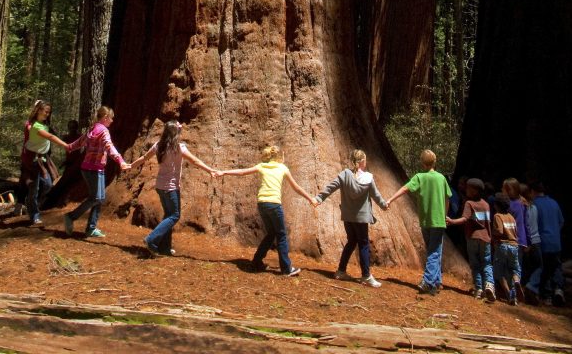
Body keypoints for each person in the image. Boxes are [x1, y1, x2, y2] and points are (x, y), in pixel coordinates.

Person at [218, 143, 317, 277]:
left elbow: (242, 172)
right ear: (279, 156)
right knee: (281, 235)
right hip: (274, 204)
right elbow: (296, 188)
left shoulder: (262, 166)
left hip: (262, 204)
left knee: (271, 233)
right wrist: (310, 198)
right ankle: (286, 269)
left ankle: (256, 262)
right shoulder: (282, 168)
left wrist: (223, 172)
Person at [138, 120, 216, 256]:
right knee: (174, 216)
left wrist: (130, 165)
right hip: (171, 187)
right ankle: (151, 239)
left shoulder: (158, 146)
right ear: (176, 133)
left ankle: (165, 248)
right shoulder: (179, 148)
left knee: (168, 215)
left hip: (160, 186)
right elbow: (195, 161)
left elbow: (144, 157)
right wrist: (210, 170)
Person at [316, 149, 388, 288]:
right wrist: (384, 205)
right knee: (363, 244)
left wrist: (319, 198)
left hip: (348, 217)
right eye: (365, 160)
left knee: (351, 242)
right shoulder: (368, 178)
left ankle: (341, 271)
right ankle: (366, 276)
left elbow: (330, 187)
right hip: (361, 218)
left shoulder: (344, 175)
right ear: (362, 162)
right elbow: (376, 195)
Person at [63, 106, 133, 239]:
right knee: (97, 198)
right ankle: (71, 217)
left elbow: (80, 141)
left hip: (90, 169)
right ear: (106, 118)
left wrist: (70, 147)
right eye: (111, 118)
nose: (112, 121)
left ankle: (91, 228)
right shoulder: (104, 131)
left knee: (99, 198)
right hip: (94, 169)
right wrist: (120, 161)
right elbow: (109, 146)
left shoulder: (93, 128)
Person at [388, 149, 451, 295]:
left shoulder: (419, 177)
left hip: (425, 220)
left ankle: (428, 281)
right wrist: (445, 215)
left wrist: (391, 199)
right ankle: (436, 282)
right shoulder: (441, 178)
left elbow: (405, 189)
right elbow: (447, 198)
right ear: (434, 162)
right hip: (438, 220)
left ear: (422, 163)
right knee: (435, 251)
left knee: (433, 251)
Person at [446, 177, 495, 302]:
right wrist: (490, 238)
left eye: (468, 188)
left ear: (474, 191)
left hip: (473, 237)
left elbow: (464, 219)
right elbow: (488, 223)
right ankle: (489, 284)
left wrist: (452, 221)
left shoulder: (469, 203)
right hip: (485, 238)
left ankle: (478, 289)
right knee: (487, 263)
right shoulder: (486, 204)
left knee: (475, 264)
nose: (466, 190)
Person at [22, 100, 68, 226]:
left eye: (49, 112)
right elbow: (51, 137)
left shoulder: (44, 124)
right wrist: (66, 146)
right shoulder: (35, 126)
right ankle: (34, 214)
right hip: (32, 160)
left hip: (41, 159)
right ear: (38, 111)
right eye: (45, 111)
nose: (48, 113)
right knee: (34, 188)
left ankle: (31, 202)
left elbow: (53, 134)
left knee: (47, 184)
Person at [528, 181, 565, 306]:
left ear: (533, 191)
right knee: (555, 267)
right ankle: (558, 290)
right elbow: (561, 222)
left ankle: (545, 295)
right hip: (555, 241)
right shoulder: (554, 203)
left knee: (543, 268)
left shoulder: (534, 205)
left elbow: (532, 225)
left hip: (542, 241)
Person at [492, 192, 520, 304]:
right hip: (514, 246)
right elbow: (515, 232)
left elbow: (499, 231)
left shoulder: (497, 216)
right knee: (514, 269)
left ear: (496, 205)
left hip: (502, 246)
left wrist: (492, 233)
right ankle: (516, 282)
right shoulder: (512, 218)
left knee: (500, 272)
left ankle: (509, 294)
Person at [519, 181, 542, 298]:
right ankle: (530, 287)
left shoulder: (522, 207)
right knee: (537, 266)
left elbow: (525, 225)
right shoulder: (534, 206)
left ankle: (526, 287)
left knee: (525, 267)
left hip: (527, 241)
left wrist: (527, 242)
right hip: (536, 240)